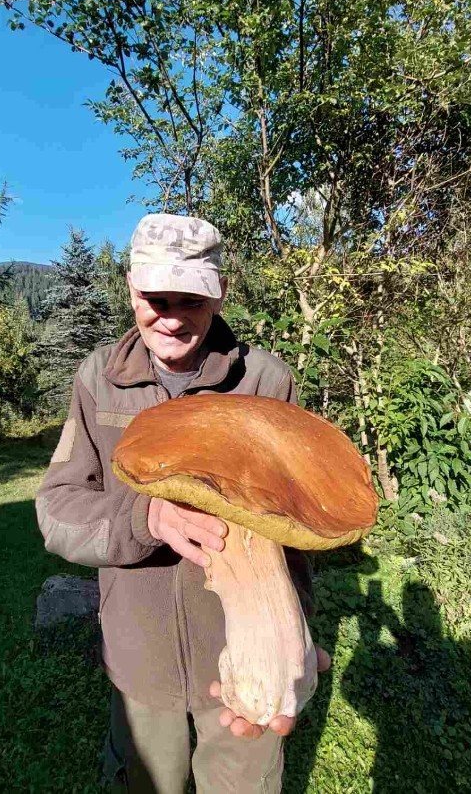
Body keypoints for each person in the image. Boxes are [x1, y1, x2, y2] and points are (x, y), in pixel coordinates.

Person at [36, 213, 328, 793]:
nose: (170, 317)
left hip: (242, 645)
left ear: (217, 298)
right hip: (139, 649)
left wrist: (291, 626)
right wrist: (146, 518)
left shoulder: (264, 380)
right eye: (155, 297)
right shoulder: (98, 381)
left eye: (189, 301)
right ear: (130, 289)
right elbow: (58, 509)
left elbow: (297, 514)